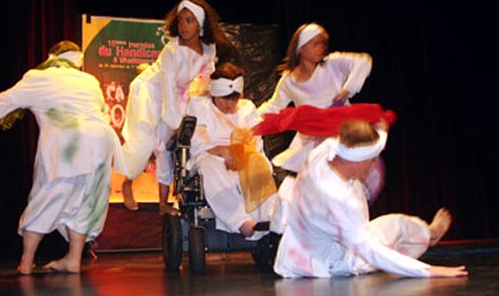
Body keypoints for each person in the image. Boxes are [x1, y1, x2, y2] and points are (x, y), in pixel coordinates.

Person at [0, 40, 126, 275]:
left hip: (69, 144)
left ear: (51, 58)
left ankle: (26, 263)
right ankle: (73, 259)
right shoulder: (89, 80)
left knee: (46, 198)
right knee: (85, 202)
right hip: (101, 142)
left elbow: (1, 102)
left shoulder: (38, 78)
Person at [273, 119, 468, 279]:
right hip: (335, 259)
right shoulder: (339, 199)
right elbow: (369, 250)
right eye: (372, 160)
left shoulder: (322, 153)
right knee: (395, 229)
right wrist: (428, 270)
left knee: (396, 223)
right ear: (358, 160)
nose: (375, 164)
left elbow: (360, 144)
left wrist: (381, 131)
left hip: (298, 246)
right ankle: (430, 236)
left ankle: (427, 234)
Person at [120, 0, 233, 215]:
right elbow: (167, 88)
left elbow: (207, 80)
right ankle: (127, 181)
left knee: (167, 148)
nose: (183, 26)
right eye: (180, 21)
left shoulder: (209, 49)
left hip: (176, 94)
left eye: (189, 21)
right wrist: (174, 123)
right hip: (150, 91)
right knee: (145, 141)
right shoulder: (172, 51)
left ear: (200, 25)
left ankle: (163, 203)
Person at [258, 22, 373, 172]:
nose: (322, 47)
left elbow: (363, 61)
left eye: (323, 43)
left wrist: (347, 90)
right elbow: (274, 106)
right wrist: (248, 116)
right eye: (316, 43)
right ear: (301, 47)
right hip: (312, 138)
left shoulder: (332, 63)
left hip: (340, 132)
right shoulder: (289, 80)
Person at [186, 62, 277, 238]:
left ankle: (269, 219)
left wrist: (238, 153)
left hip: (243, 154)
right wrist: (221, 151)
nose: (229, 104)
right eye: (224, 99)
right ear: (214, 94)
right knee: (210, 167)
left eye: (233, 99)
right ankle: (240, 221)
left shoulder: (246, 108)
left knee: (260, 165)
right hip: (210, 155)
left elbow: (255, 139)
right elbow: (198, 141)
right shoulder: (199, 105)